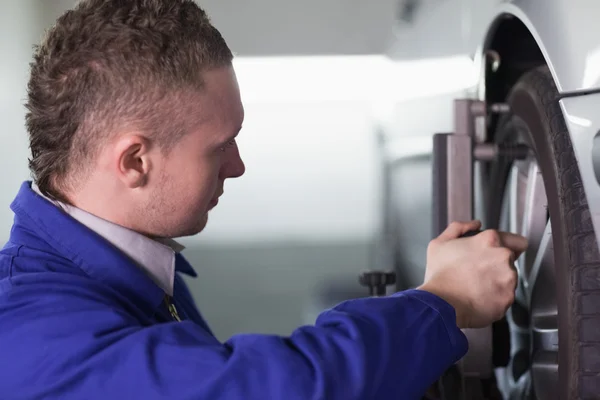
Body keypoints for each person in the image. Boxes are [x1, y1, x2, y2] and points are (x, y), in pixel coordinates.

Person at [0, 1, 528, 399]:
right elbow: (260, 388)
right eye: (219, 146)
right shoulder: (31, 330)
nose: (237, 165)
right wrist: (443, 303)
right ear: (135, 161)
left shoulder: (120, 272)